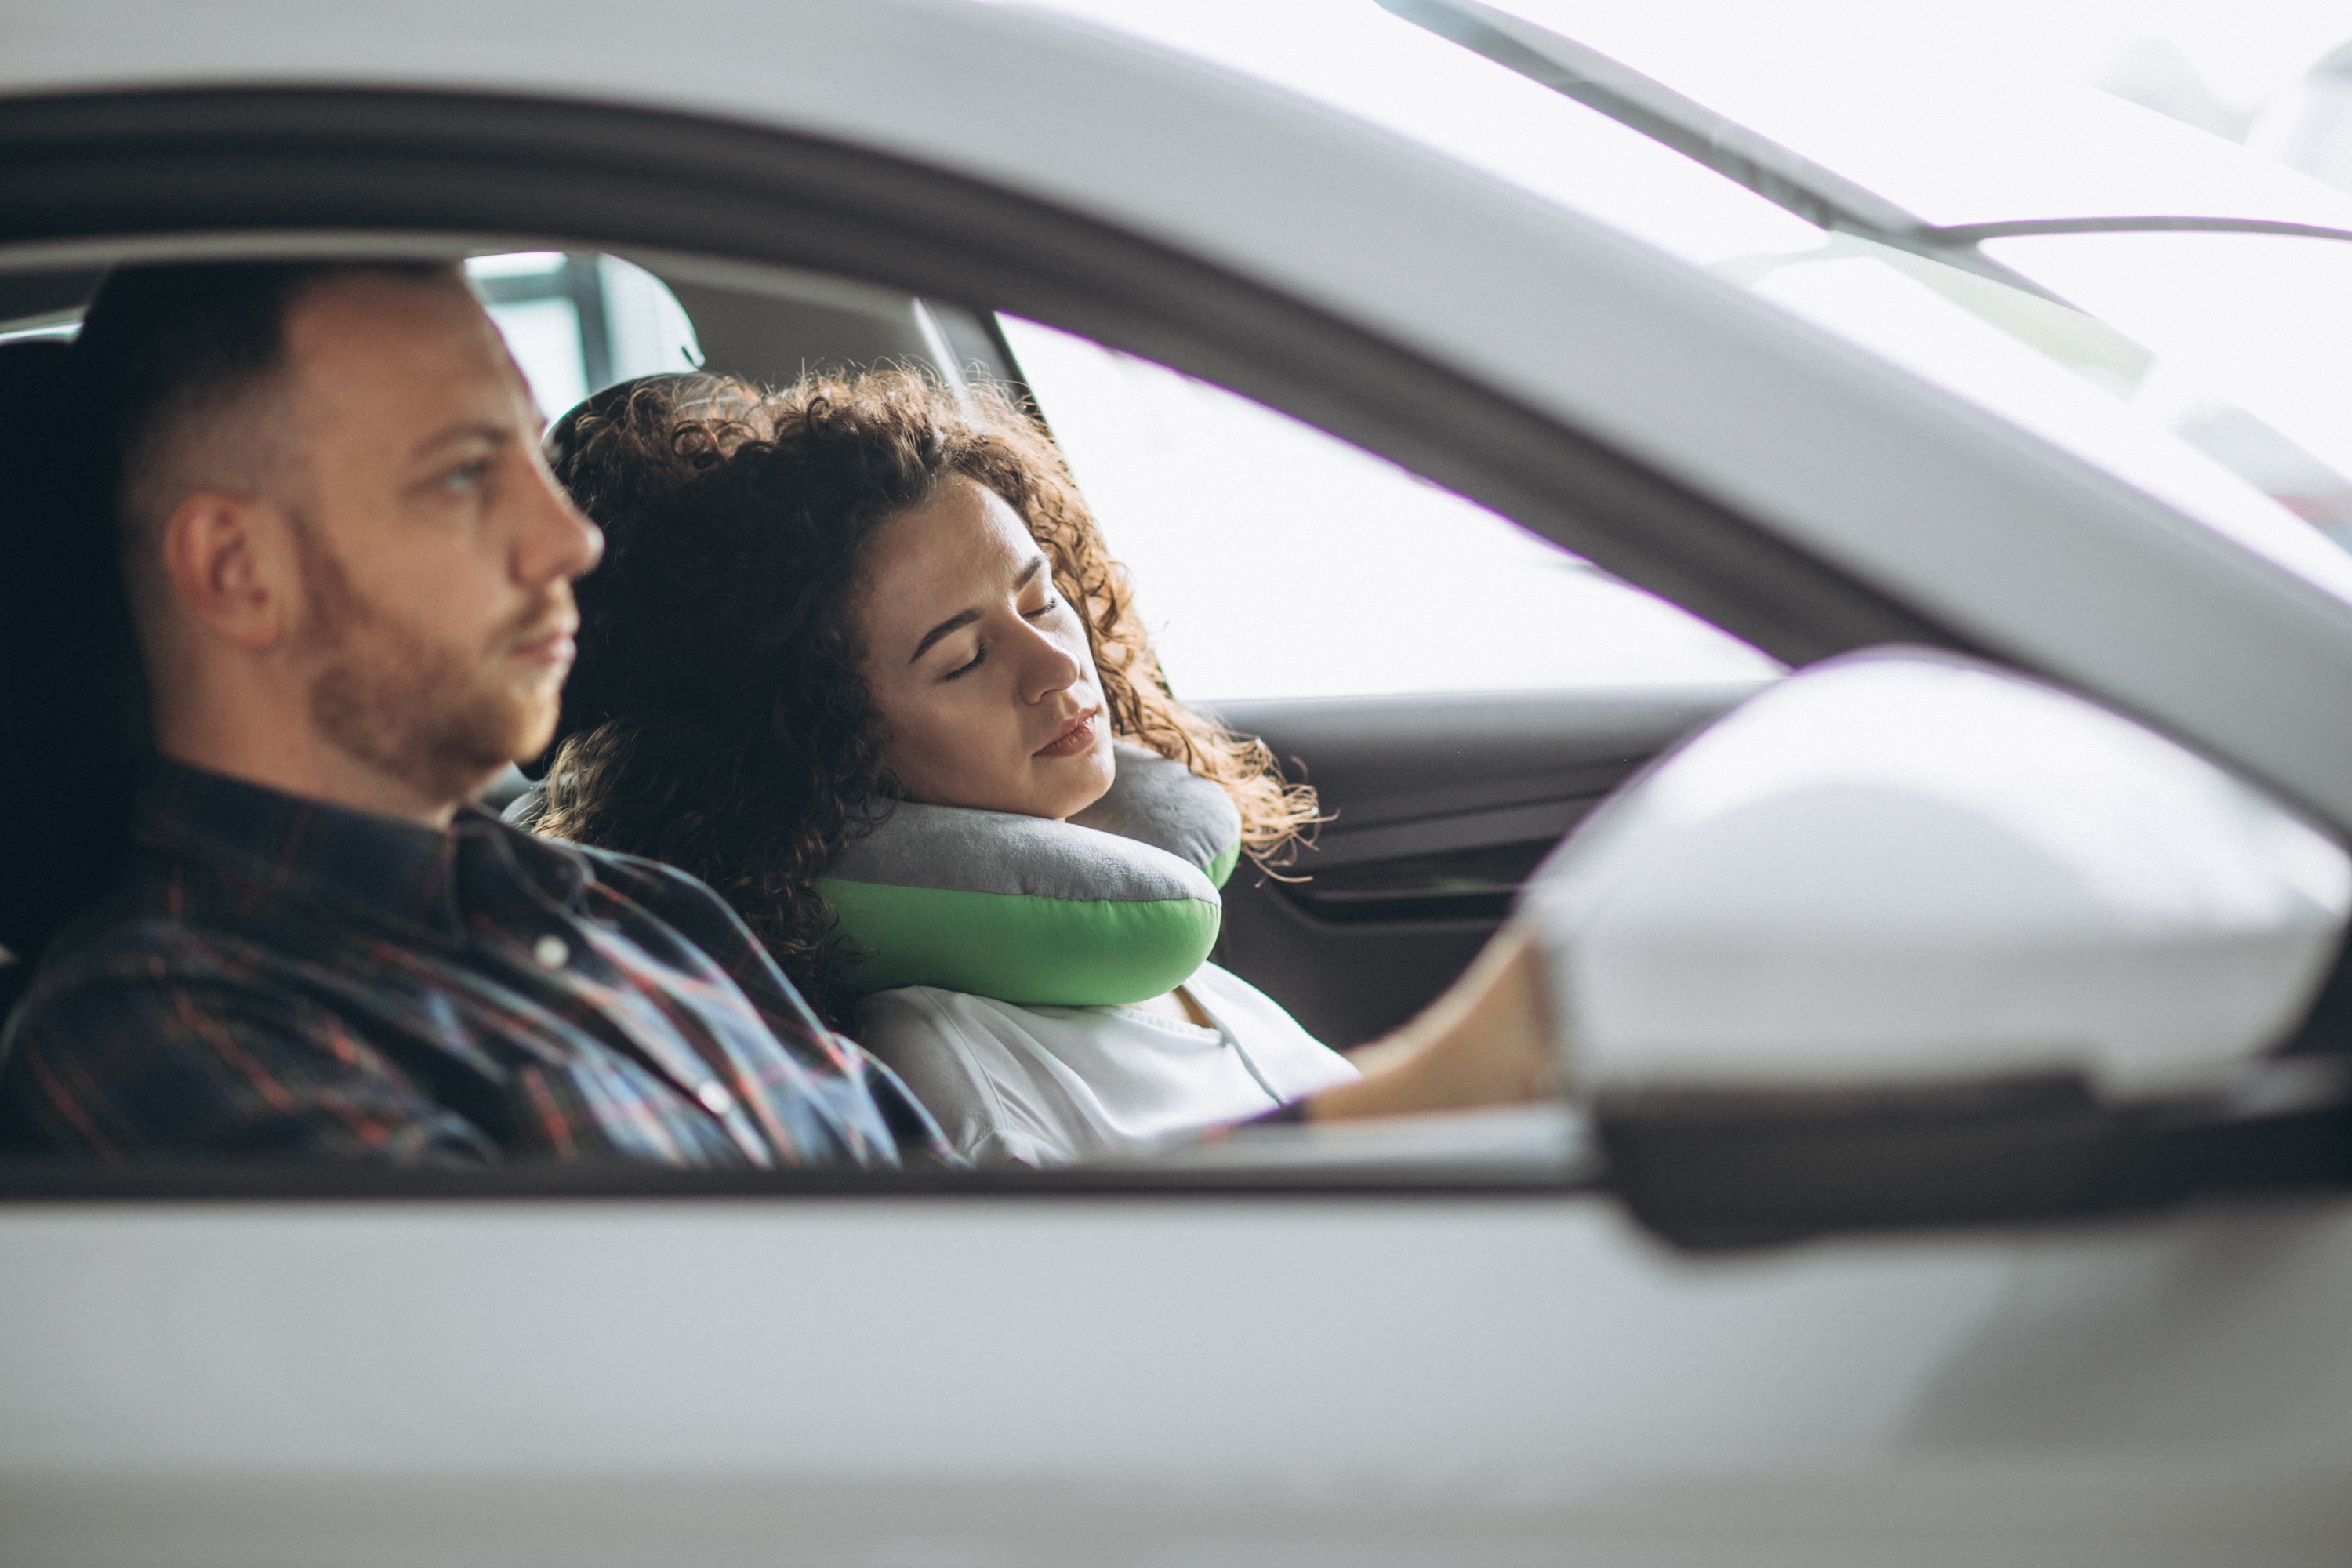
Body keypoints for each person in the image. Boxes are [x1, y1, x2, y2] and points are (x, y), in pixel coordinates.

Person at [0, 259, 1553, 1163]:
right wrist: (1409, 1110)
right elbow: (703, 1439)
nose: (569, 542)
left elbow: (989, 1310)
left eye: (537, 469)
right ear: (239, 568)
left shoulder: (637, 918)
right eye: (464, 477)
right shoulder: (172, 1036)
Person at [529, 371, 1381, 1163]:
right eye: (965, 658)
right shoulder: (965, 1079)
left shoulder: (1145, 944)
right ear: (831, 748)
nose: (1055, 665)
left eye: (1041, 600)